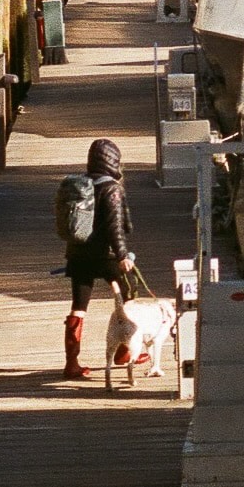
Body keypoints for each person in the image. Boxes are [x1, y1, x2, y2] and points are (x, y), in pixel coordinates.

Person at [63, 137, 135, 379]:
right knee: (128, 295)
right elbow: (115, 227)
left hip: (78, 253)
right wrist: (123, 255)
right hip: (105, 256)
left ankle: (71, 363)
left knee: (79, 308)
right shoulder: (112, 188)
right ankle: (124, 350)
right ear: (113, 161)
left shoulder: (82, 184)